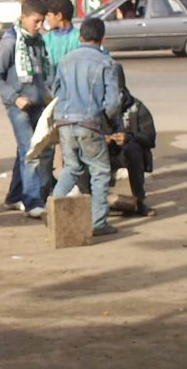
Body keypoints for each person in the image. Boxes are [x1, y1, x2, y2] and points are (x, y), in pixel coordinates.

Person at [51, 18, 121, 236]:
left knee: (71, 168)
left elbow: (55, 92)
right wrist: (106, 121)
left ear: (80, 37)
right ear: (102, 39)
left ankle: (52, 211)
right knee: (100, 172)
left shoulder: (65, 61)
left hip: (64, 122)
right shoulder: (106, 63)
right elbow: (113, 102)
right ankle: (98, 223)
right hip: (89, 122)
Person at [0, 0, 54, 219]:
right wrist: (15, 98)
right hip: (18, 107)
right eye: (36, 21)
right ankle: (33, 200)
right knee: (31, 152)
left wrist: (46, 93)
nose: (39, 26)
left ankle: (15, 195)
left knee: (27, 150)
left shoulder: (37, 42)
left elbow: (43, 72)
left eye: (42, 21)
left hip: (37, 104)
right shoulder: (10, 42)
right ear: (23, 18)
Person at [106, 63, 157, 217]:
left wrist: (129, 137)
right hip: (104, 152)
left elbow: (150, 138)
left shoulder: (136, 107)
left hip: (127, 154)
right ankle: (95, 202)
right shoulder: (96, 107)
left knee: (133, 149)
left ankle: (140, 200)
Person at [43, 0, 81, 68]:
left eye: (48, 15)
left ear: (59, 16)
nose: (46, 19)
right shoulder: (46, 39)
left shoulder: (79, 38)